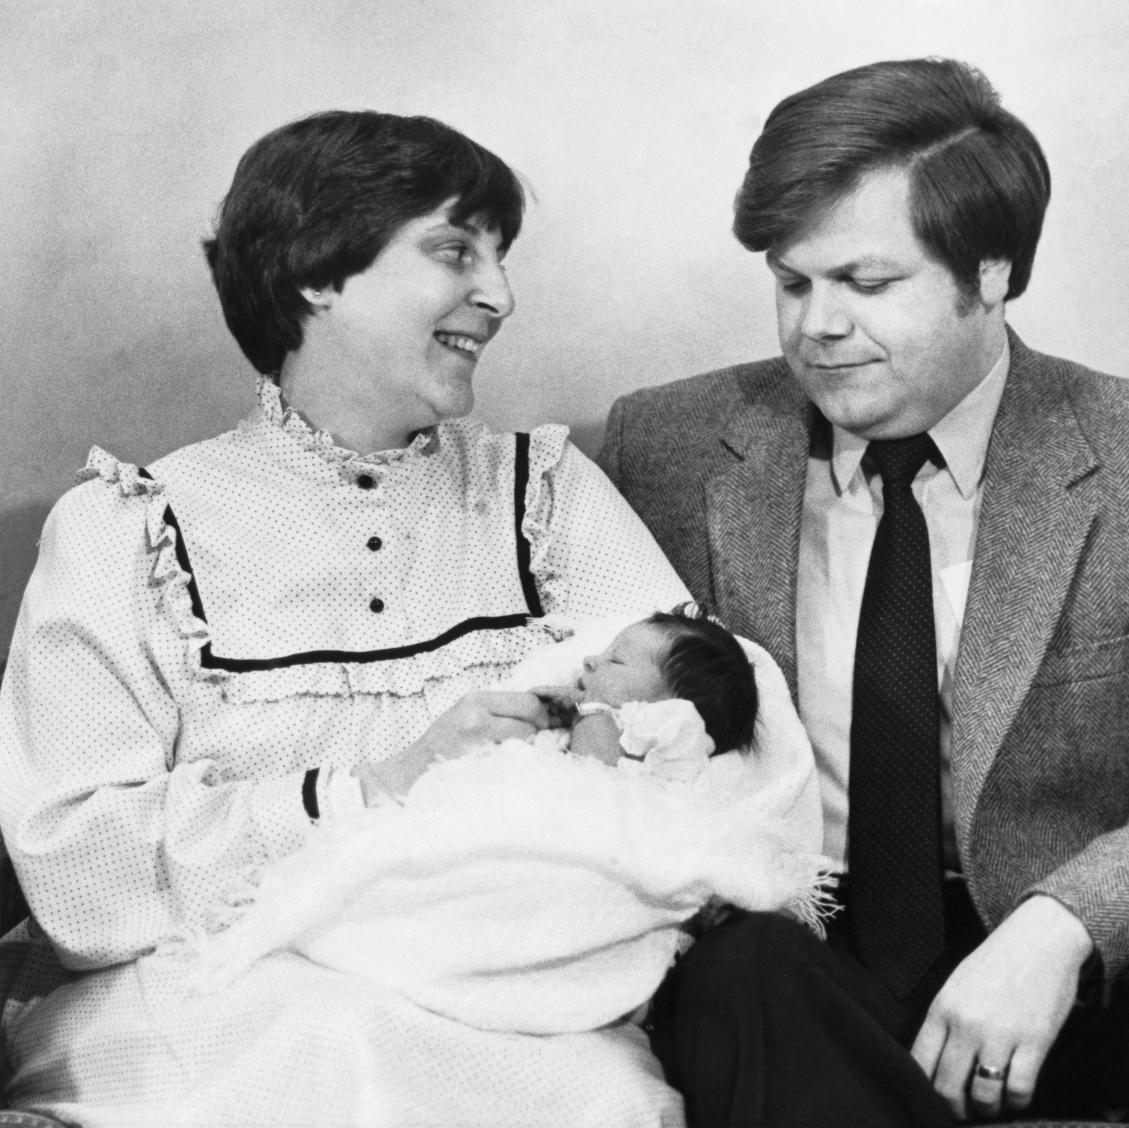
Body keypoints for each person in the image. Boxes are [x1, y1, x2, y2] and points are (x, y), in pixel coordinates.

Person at [0, 109, 704, 1127]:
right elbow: (77, 870)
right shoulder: (127, 532)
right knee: (346, 1053)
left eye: (502, 258)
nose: (499, 296)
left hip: (507, 992)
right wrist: (367, 791)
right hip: (218, 994)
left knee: (605, 1100)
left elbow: (699, 727)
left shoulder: (545, 497)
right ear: (315, 274)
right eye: (456, 250)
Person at [599, 57, 1129, 1127]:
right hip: (800, 957)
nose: (816, 326)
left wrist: (1059, 926)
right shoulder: (668, 446)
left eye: (866, 282)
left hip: (1073, 961)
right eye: (793, 281)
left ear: (989, 273)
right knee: (736, 973)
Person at [187, 606, 821, 1044]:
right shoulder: (602, 712)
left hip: (579, 847)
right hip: (528, 815)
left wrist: (586, 716)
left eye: (617, 662)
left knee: (473, 875)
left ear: (671, 704)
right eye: (599, 655)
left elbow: (590, 787)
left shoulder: (640, 732)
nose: (592, 665)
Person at [541, 603, 760, 772]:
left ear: (671, 710)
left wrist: (589, 708)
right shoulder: (581, 721)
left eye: (615, 660)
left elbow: (595, 780)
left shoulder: (658, 751)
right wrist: (536, 710)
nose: (589, 660)